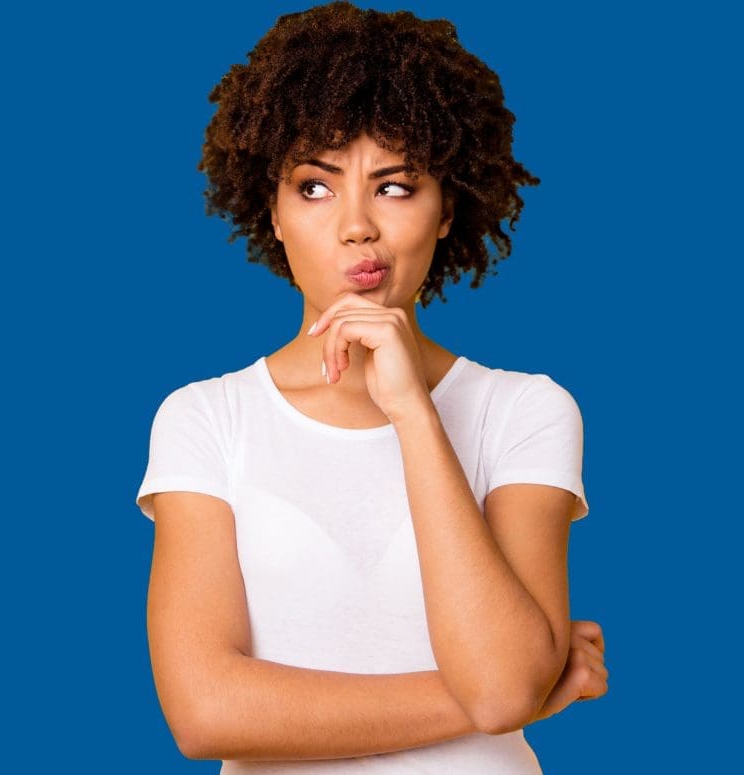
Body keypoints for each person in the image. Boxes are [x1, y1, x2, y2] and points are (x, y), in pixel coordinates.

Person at [134, 3, 607, 772]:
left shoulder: (524, 410)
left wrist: (413, 411)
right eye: (315, 187)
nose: (357, 225)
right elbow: (206, 711)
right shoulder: (207, 419)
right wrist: (519, 689)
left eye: (395, 186)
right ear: (272, 212)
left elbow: (504, 686)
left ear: (447, 209)